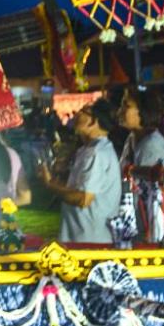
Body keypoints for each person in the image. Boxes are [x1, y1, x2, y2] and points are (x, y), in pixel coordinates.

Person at [53, 98, 122, 245]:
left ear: (93, 122)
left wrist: (49, 184)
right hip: (81, 235)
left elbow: (83, 198)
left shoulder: (96, 152)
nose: (77, 114)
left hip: (89, 240)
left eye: (82, 111)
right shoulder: (90, 149)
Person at [118, 88, 164, 241]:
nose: (120, 110)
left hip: (153, 238)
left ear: (144, 111)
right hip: (136, 229)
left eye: (127, 106)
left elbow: (161, 196)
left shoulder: (153, 147)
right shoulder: (132, 139)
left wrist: (152, 238)